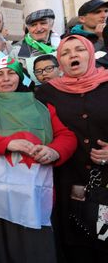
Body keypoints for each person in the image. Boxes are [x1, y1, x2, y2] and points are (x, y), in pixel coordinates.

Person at [0, 55, 77, 263]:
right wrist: (7, 144)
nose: (6, 79)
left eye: (12, 73)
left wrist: (54, 151)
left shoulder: (41, 106)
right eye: (0, 74)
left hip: (35, 192)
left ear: (21, 77)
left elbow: (66, 136)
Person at [35, 35, 108, 263]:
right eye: (65, 53)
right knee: (78, 242)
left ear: (90, 53)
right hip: (68, 178)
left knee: (105, 239)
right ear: (60, 61)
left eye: (79, 50)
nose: (73, 56)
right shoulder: (46, 93)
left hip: (105, 180)